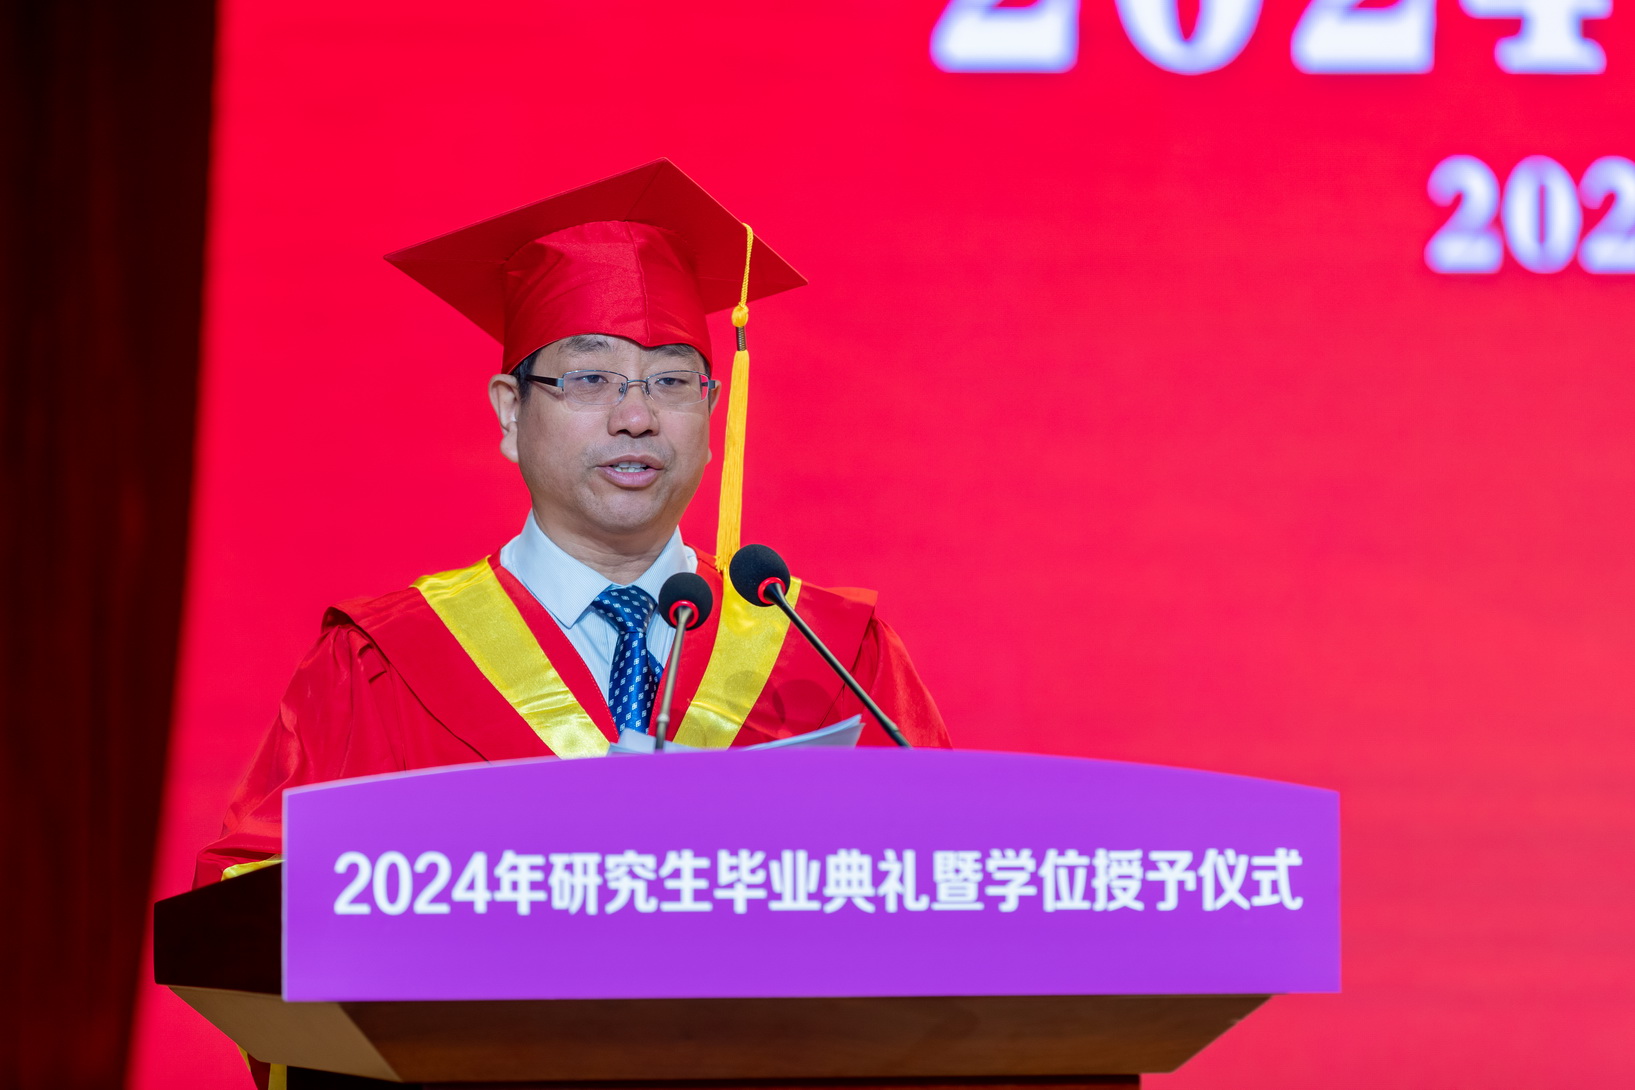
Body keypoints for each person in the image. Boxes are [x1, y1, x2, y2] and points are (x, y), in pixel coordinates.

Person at [196, 160, 950, 887]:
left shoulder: (831, 655)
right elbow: (249, 904)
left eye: (672, 381)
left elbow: (949, 878)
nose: (636, 418)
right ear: (510, 411)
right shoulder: (381, 665)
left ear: (712, 410)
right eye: (591, 379)